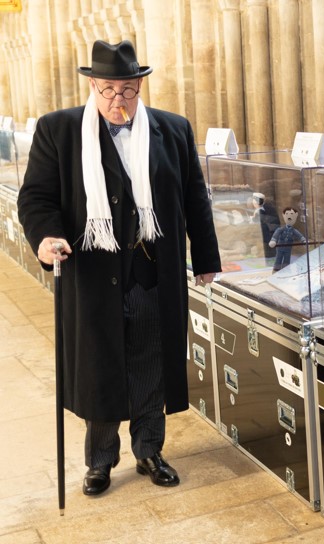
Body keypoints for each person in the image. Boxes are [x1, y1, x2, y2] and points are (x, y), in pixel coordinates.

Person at [16, 40, 221, 497]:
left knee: (151, 362)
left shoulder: (174, 129)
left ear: (140, 87)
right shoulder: (59, 130)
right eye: (108, 90)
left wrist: (206, 258)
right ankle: (101, 461)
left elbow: (194, 199)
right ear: (93, 85)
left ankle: (149, 450)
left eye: (127, 91)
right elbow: (35, 198)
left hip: (153, 274)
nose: (117, 101)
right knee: (101, 368)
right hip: (92, 276)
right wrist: (46, 238)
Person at [269, 207, 307, 271]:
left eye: (292, 214)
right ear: (284, 216)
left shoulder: (294, 230)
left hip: (288, 249)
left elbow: (299, 235)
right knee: (278, 258)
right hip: (280, 248)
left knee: (287, 259)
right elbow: (276, 234)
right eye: (287, 214)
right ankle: (276, 270)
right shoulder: (281, 229)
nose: (289, 216)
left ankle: (286, 270)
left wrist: (303, 240)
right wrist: (273, 240)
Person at [249, 192, 280, 261]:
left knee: (267, 246)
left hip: (267, 232)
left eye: (254, 203)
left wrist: (252, 219)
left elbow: (257, 221)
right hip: (270, 232)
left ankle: (269, 255)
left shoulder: (261, 211)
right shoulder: (266, 208)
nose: (254, 204)